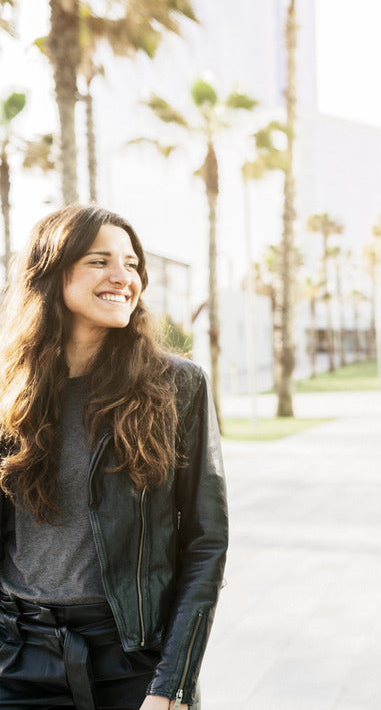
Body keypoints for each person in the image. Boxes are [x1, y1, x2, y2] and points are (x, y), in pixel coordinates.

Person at [0, 205, 228, 710]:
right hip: (16, 652)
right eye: (100, 261)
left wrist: (173, 683)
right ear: (52, 270)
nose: (124, 278)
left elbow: (205, 544)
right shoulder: (9, 389)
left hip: (129, 660)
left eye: (131, 263)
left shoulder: (177, 385)